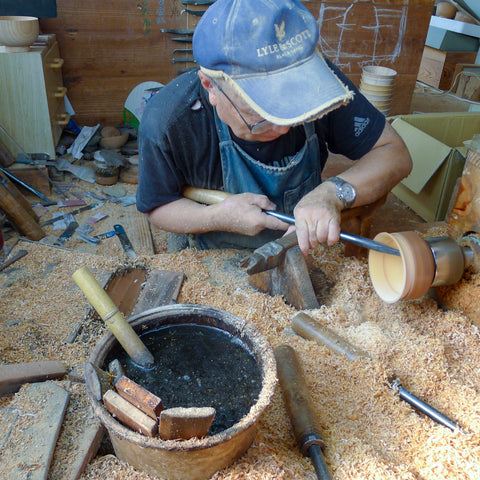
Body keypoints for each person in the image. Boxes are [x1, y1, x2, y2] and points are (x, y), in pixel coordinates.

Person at [136, 0, 412, 255]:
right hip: (219, 255)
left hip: (303, 249)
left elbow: (394, 153)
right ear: (211, 87)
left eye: (297, 113)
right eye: (263, 116)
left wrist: (333, 193)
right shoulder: (168, 121)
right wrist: (217, 217)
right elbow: (157, 205)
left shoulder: (315, 79)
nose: (283, 129)